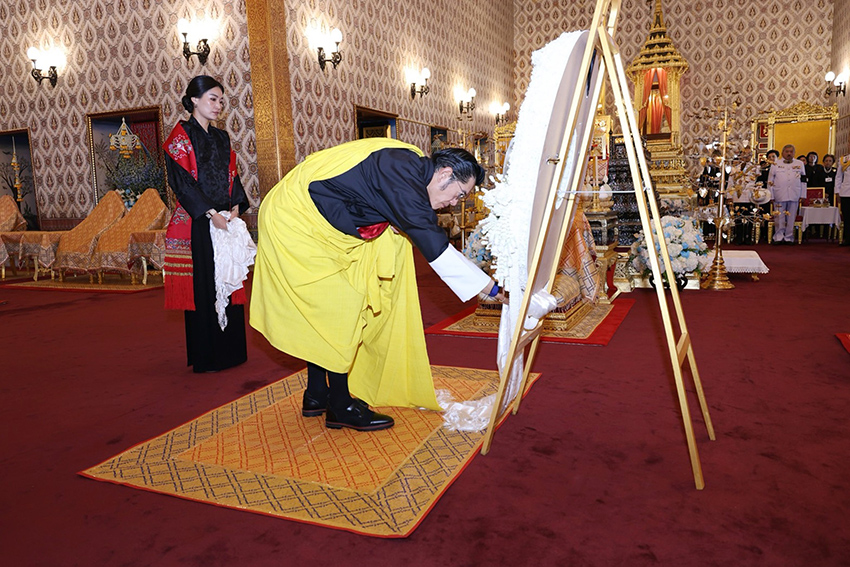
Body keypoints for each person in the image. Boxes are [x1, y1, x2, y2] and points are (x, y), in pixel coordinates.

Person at [251, 139, 506, 431]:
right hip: (295, 221)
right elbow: (433, 242)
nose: (454, 203)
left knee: (328, 309)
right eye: (459, 194)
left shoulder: (408, 166)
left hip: (316, 221)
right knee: (341, 310)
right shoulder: (403, 173)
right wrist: (493, 290)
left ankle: (317, 393)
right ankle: (340, 405)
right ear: (445, 173)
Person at [163, 75, 250, 373]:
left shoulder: (222, 137)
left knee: (229, 278)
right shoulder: (179, 137)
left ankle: (232, 351)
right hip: (199, 222)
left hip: (226, 218)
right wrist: (210, 213)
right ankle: (208, 355)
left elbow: (231, 174)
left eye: (221, 100)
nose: (218, 105)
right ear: (194, 100)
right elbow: (183, 183)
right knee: (205, 285)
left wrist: (236, 204)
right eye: (212, 98)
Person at [768, 144, 807, 244]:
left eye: (791, 152)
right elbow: (770, 181)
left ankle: (789, 237)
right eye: (787, 151)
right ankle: (778, 236)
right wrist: (771, 195)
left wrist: (803, 194)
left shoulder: (799, 163)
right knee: (779, 216)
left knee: (791, 216)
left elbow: (803, 180)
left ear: (794, 153)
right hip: (779, 193)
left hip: (794, 193)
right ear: (782, 153)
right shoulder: (775, 164)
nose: (789, 153)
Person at [835, 154, 850, 246]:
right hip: (846, 192)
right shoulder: (844, 160)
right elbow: (838, 177)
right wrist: (837, 192)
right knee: (847, 218)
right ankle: (848, 239)